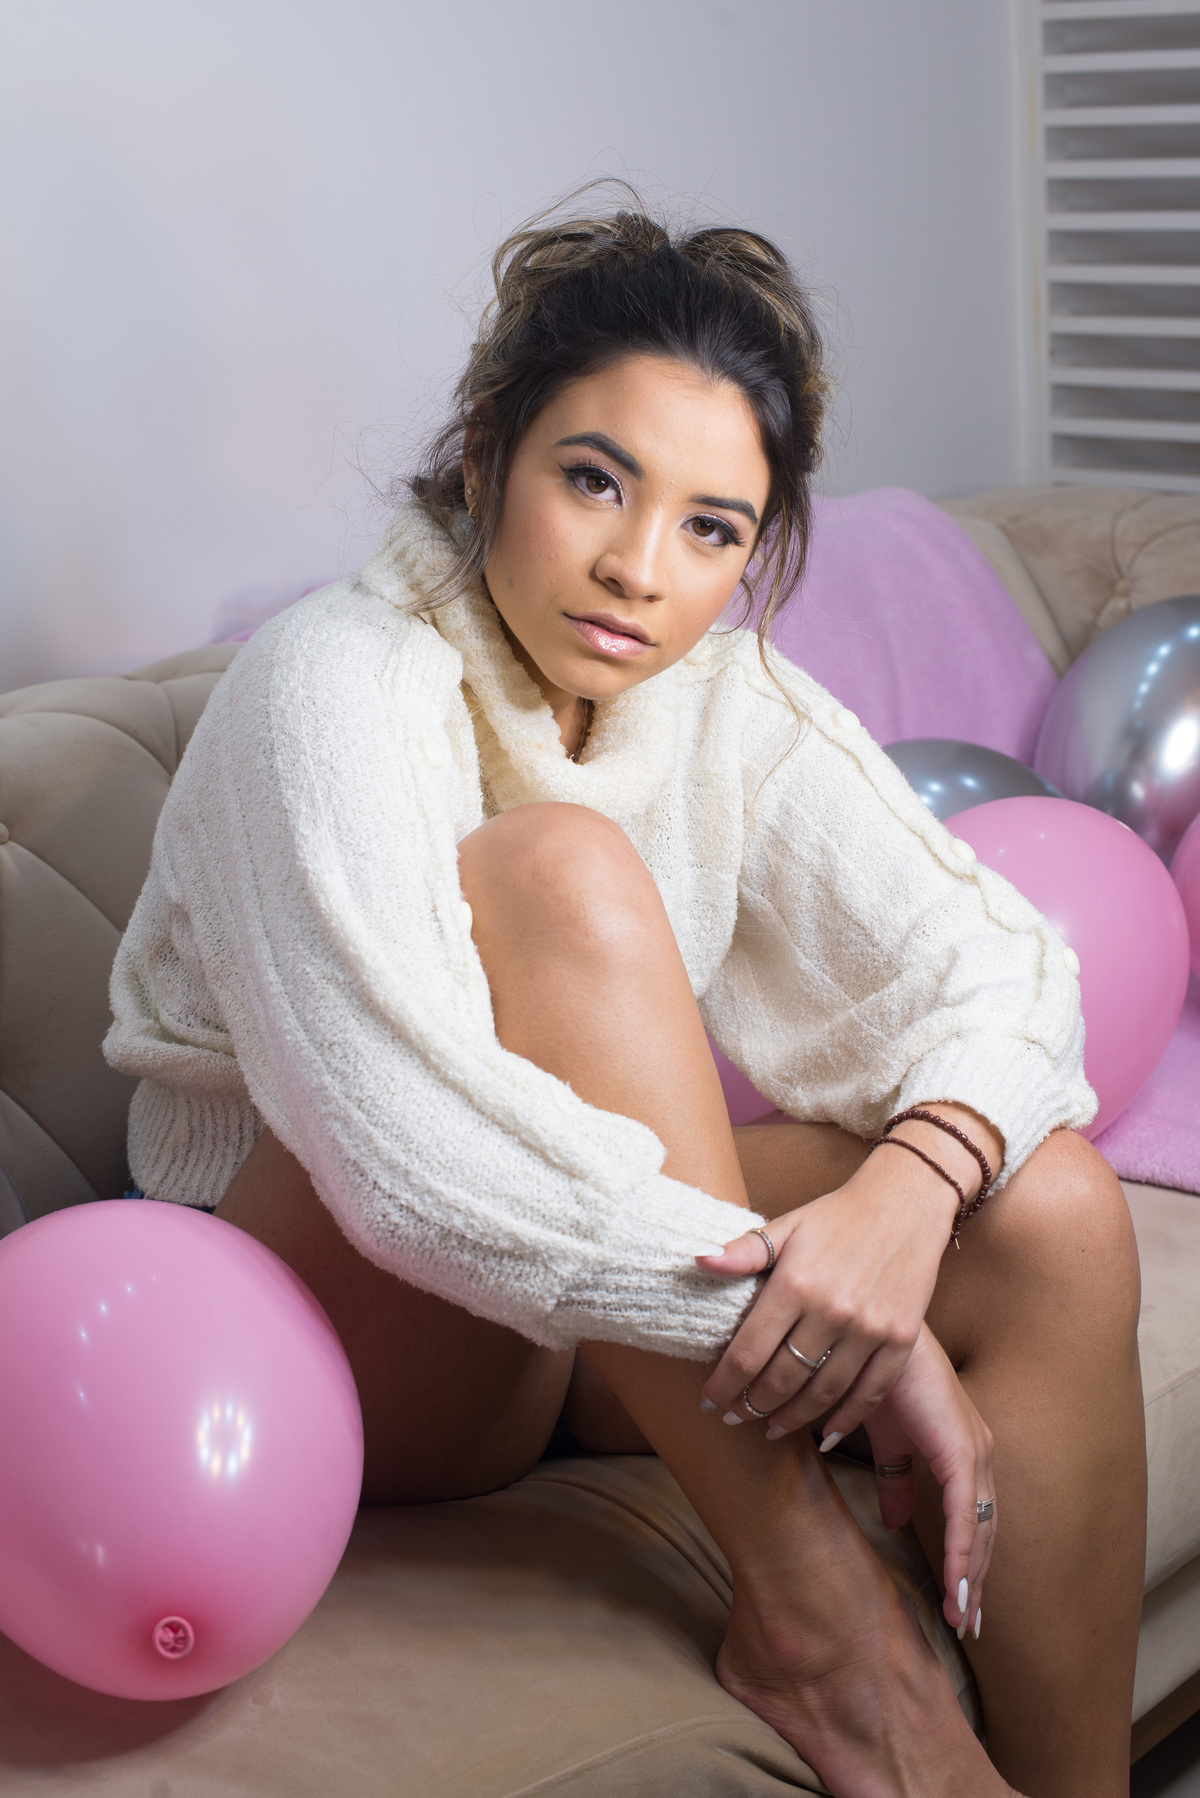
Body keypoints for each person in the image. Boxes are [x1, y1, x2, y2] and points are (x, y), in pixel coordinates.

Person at [104, 196, 1145, 1798]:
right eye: (595, 479)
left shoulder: (714, 700)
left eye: (712, 527)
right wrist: (845, 1338)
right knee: (561, 872)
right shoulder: (332, 680)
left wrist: (913, 1194)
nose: (637, 570)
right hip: (322, 1339)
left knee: (1053, 1207)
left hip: (591, 1300)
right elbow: (403, 1155)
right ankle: (816, 1618)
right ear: (484, 456)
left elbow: (1011, 965)